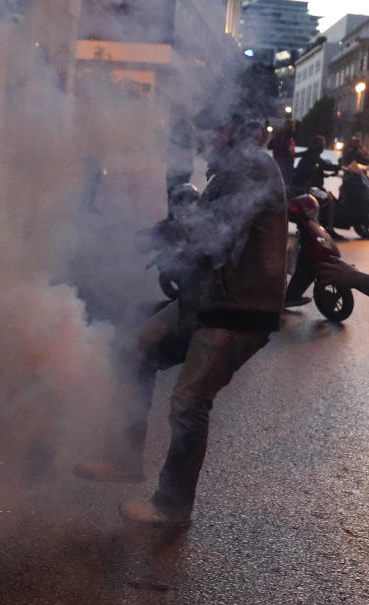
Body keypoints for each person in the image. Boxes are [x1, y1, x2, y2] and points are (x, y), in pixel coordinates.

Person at [74, 113, 288, 527]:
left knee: (189, 402)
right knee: (134, 352)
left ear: (233, 127)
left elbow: (215, 234)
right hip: (204, 298)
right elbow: (199, 230)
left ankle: (172, 506)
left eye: (212, 127)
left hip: (239, 309)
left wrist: (162, 236)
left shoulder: (250, 165)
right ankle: (122, 459)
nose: (202, 138)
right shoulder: (229, 168)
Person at [267, 118, 296, 184]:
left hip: (277, 164)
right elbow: (291, 154)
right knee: (285, 184)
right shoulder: (286, 138)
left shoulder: (279, 137)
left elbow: (269, 146)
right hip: (285, 166)